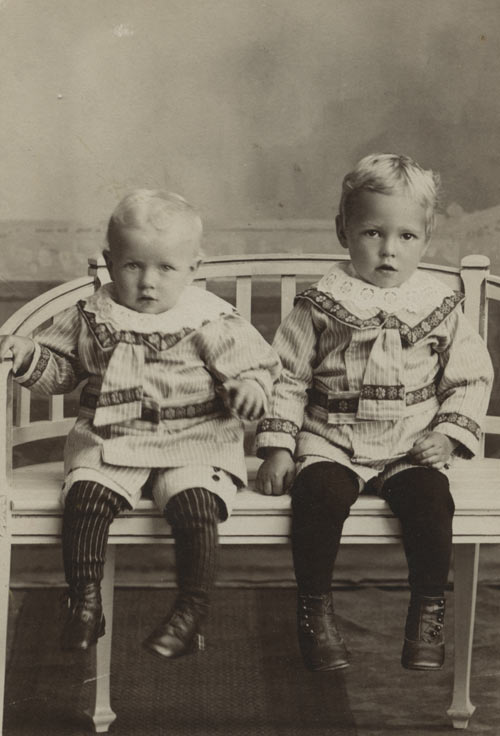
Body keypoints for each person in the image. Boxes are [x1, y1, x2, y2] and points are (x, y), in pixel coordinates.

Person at [0, 189, 280, 658]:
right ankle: (85, 600)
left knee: (196, 506)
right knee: (86, 498)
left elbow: (259, 368)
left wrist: (251, 388)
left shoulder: (210, 320)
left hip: (195, 440)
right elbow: (62, 371)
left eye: (166, 268)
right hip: (112, 437)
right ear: (110, 262)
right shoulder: (93, 316)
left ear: (194, 268)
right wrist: (30, 354)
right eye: (133, 266)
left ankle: (190, 610)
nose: (148, 282)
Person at [255, 153, 493, 672]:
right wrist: (278, 448)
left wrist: (447, 435)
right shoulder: (321, 304)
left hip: (409, 441)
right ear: (343, 231)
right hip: (331, 437)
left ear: (427, 237)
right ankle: (315, 613)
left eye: (406, 236)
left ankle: (426, 612)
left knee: (432, 501)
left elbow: (470, 378)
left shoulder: (438, 306)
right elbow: (287, 377)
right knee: (317, 497)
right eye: (372, 233)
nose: (389, 250)